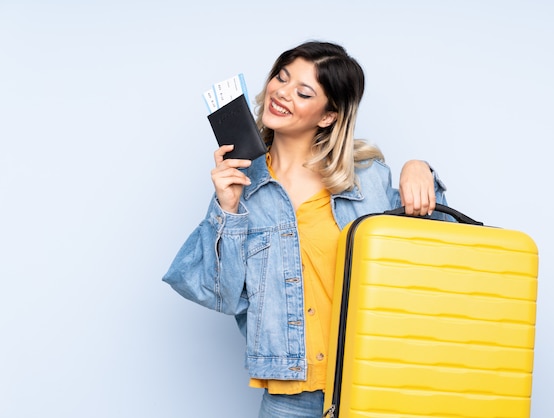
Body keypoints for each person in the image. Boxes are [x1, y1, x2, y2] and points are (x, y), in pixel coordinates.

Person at [163, 41, 452, 418]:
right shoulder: (240, 185)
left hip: (374, 382)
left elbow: (434, 252)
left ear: (329, 116)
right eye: (281, 78)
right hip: (290, 395)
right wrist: (227, 208)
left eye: (303, 92)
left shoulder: (366, 179)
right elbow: (218, 294)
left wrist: (419, 169)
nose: (282, 93)